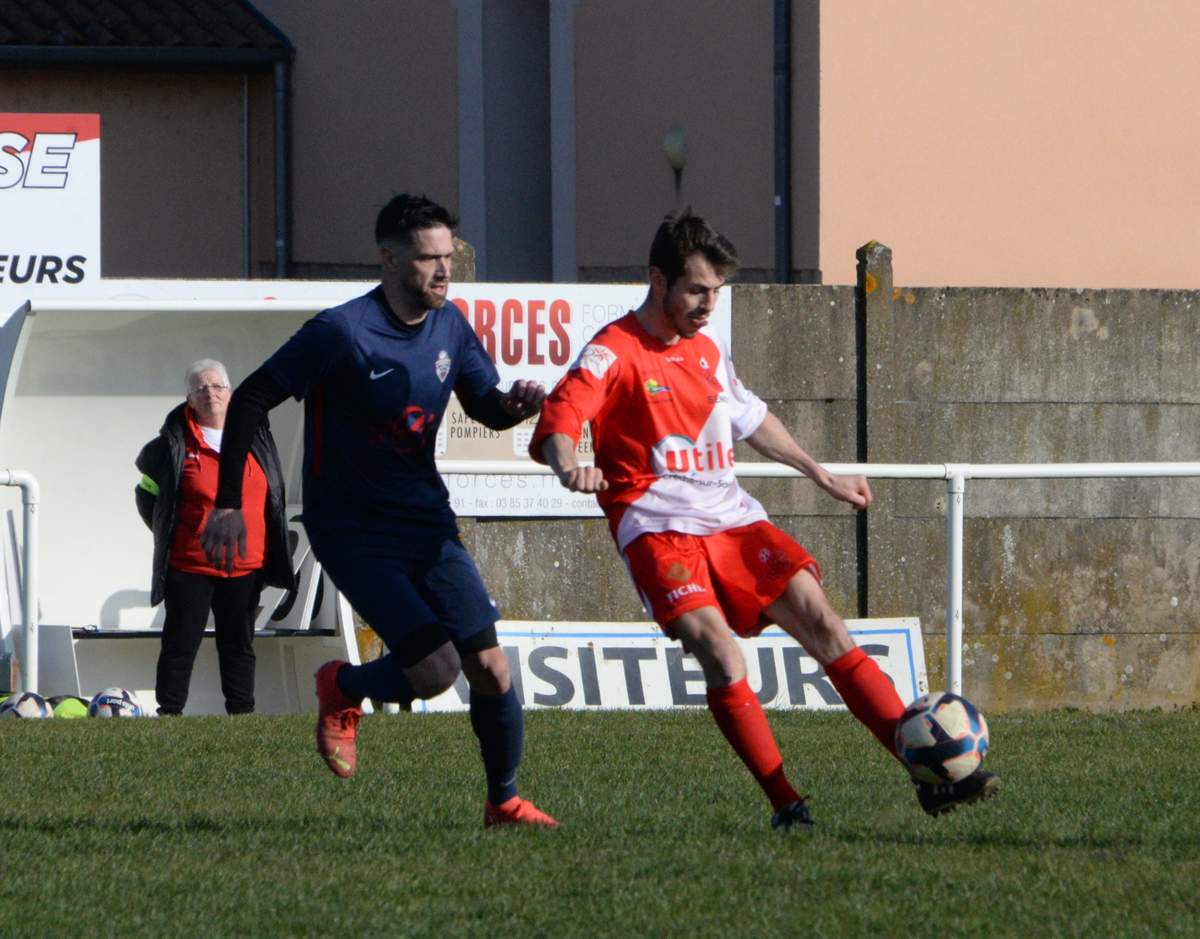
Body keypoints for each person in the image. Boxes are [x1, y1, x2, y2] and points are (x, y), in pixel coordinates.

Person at [529, 210, 999, 829]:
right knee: (722, 655)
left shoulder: (707, 348)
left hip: (733, 520)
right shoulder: (612, 351)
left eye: (717, 292)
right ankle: (787, 805)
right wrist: (571, 467)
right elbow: (558, 425)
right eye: (697, 290)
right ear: (657, 279)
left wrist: (822, 473)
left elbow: (752, 419)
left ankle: (928, 774)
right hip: (656, 526)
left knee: (826, 623)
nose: (707, 305)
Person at [199, 193, 556, 828]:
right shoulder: (340, 332)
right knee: (435, 670)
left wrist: (516, 406)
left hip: (426, 522)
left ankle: (503, 801)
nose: (443, 271)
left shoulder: (451, 326)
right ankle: (345, 687)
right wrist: (230, 503)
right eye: (428, 258)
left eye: (448, 257)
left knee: (492, 668)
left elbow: (483, 405)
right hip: (352, 529)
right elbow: (251, 399)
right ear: (388, 259)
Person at [135, 359, 294, 716]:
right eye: (201, 388)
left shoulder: (257, 437)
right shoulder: (171, 446)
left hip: (246, 565)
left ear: (231, 393)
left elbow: (272, 498)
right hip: (189, 564)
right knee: (180, 643)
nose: (211, 394)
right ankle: (170, 713)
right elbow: (148, 499)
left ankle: (241, 716)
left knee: (238, 644)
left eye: (218, 386)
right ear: (189, 399)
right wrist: (178, 537)